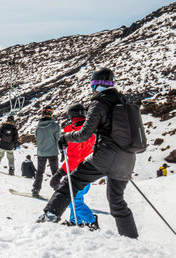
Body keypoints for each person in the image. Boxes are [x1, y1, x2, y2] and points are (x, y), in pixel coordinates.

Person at [38, 68, 139, 239]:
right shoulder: (125, 103)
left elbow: (84, 133)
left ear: (94, 85)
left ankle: (50, 215)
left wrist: (66, 137)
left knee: (73, 181)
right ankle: (131, 240)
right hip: (128, 158)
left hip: (105, 156)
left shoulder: (100, 103)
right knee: (117, 202)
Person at [49, 103, 98, 229]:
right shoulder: (91, 130)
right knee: (75, 197)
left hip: (77, 172)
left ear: (72, 115)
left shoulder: (73, 131)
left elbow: (74, 158)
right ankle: (75, 220)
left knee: (74, 199)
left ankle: (91, 221)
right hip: (89, 170)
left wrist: (60, 172)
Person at [31, 106, 61, 197]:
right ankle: (58, 190)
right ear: (51, 114)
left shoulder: (38, 127)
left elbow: (37, 138)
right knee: (55, 172)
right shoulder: (55, 126)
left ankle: (36, 189)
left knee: (40, 172)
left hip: (41, 152)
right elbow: (58, 139)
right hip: (53, 152)